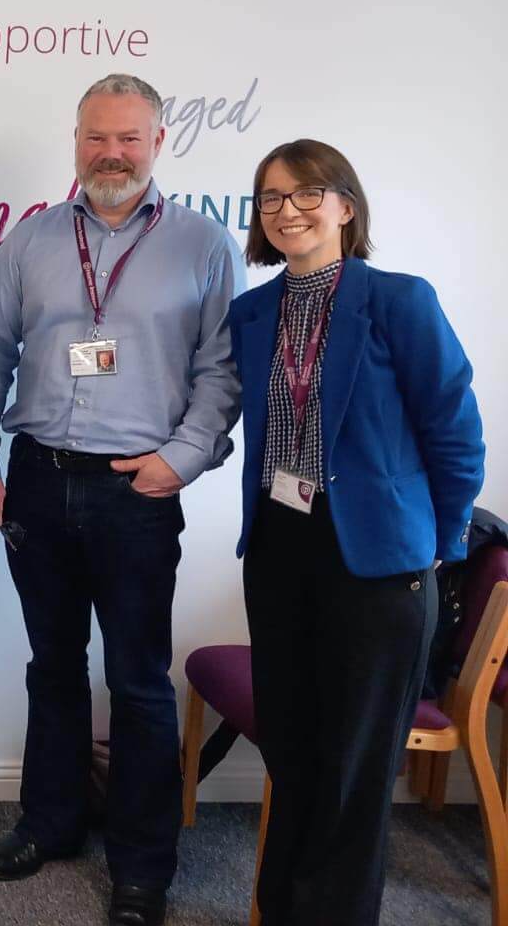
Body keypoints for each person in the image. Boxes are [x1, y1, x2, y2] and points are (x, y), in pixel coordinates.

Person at [0, 74, 241, 926]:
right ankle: (50, 823)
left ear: (158, 142)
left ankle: (142, 865)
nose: (111, 154)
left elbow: (221, 369)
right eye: (96, 137)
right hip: (39, 479)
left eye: (128, 138)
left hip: (136, 491)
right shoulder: (32, 239)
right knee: (52, 665)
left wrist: (180, 462)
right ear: (75, 140)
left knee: (139, 680)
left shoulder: (202, 244)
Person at [228, 139, 483, 925]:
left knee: (356, 762)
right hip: (279, 548)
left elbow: (455, 434)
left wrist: (439, 545)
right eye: (272, 198)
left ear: (345, 205)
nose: (289, 211)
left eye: (308, 193)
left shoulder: (400, 302)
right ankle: (282, 907)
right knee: (291, 748)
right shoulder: (252, 313)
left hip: (378, 561)